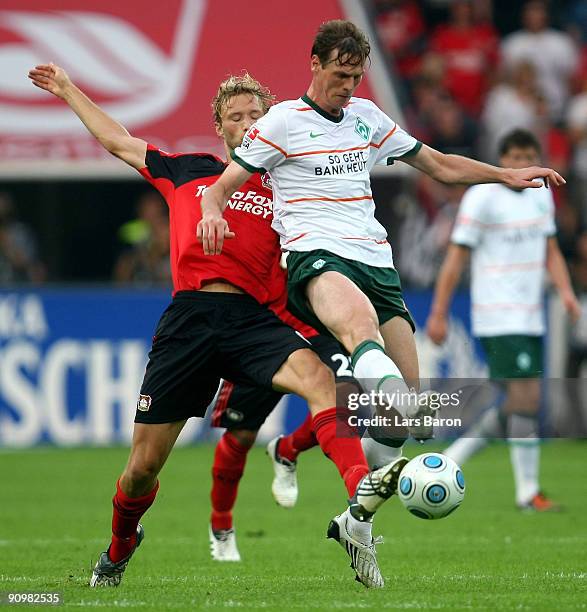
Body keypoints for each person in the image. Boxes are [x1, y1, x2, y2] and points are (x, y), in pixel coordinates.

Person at [28, 63, 407, 590]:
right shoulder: (187, 170)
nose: (248, 121)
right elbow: (118, 141)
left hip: (253, 320)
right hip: (189, 319)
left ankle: (359, 506)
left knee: (324, 383)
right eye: (237, 116)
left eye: (258, 114)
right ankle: (119, 547)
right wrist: (69, 89)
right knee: (142, 468)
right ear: (221, 128)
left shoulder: (289, 187)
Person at [199, 19, 565, 471]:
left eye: (355, 77)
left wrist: (504, 174)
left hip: (375, 261)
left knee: (403, 425)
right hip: (317, 256)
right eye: (339, 75)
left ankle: (359, 514)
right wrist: (212, 211)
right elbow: (222, 184)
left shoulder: (366, 117)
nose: (347, 87)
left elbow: (439, 165)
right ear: (315, 64)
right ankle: (401, 406)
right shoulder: (282, 123)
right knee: (360, 329)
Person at [426, 129, 581, 511]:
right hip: (496, 314)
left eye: (526, 156)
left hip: (531, 315)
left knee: (517, 401)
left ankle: (450, 460)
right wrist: (439, 312)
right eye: (512, 158)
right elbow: (456, 259)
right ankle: (527, 492)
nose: (519, 164)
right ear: (501, 160)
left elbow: (551, 252)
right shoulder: (482, 197)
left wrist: (565, 291)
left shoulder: (540, 197)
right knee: (526, 397)